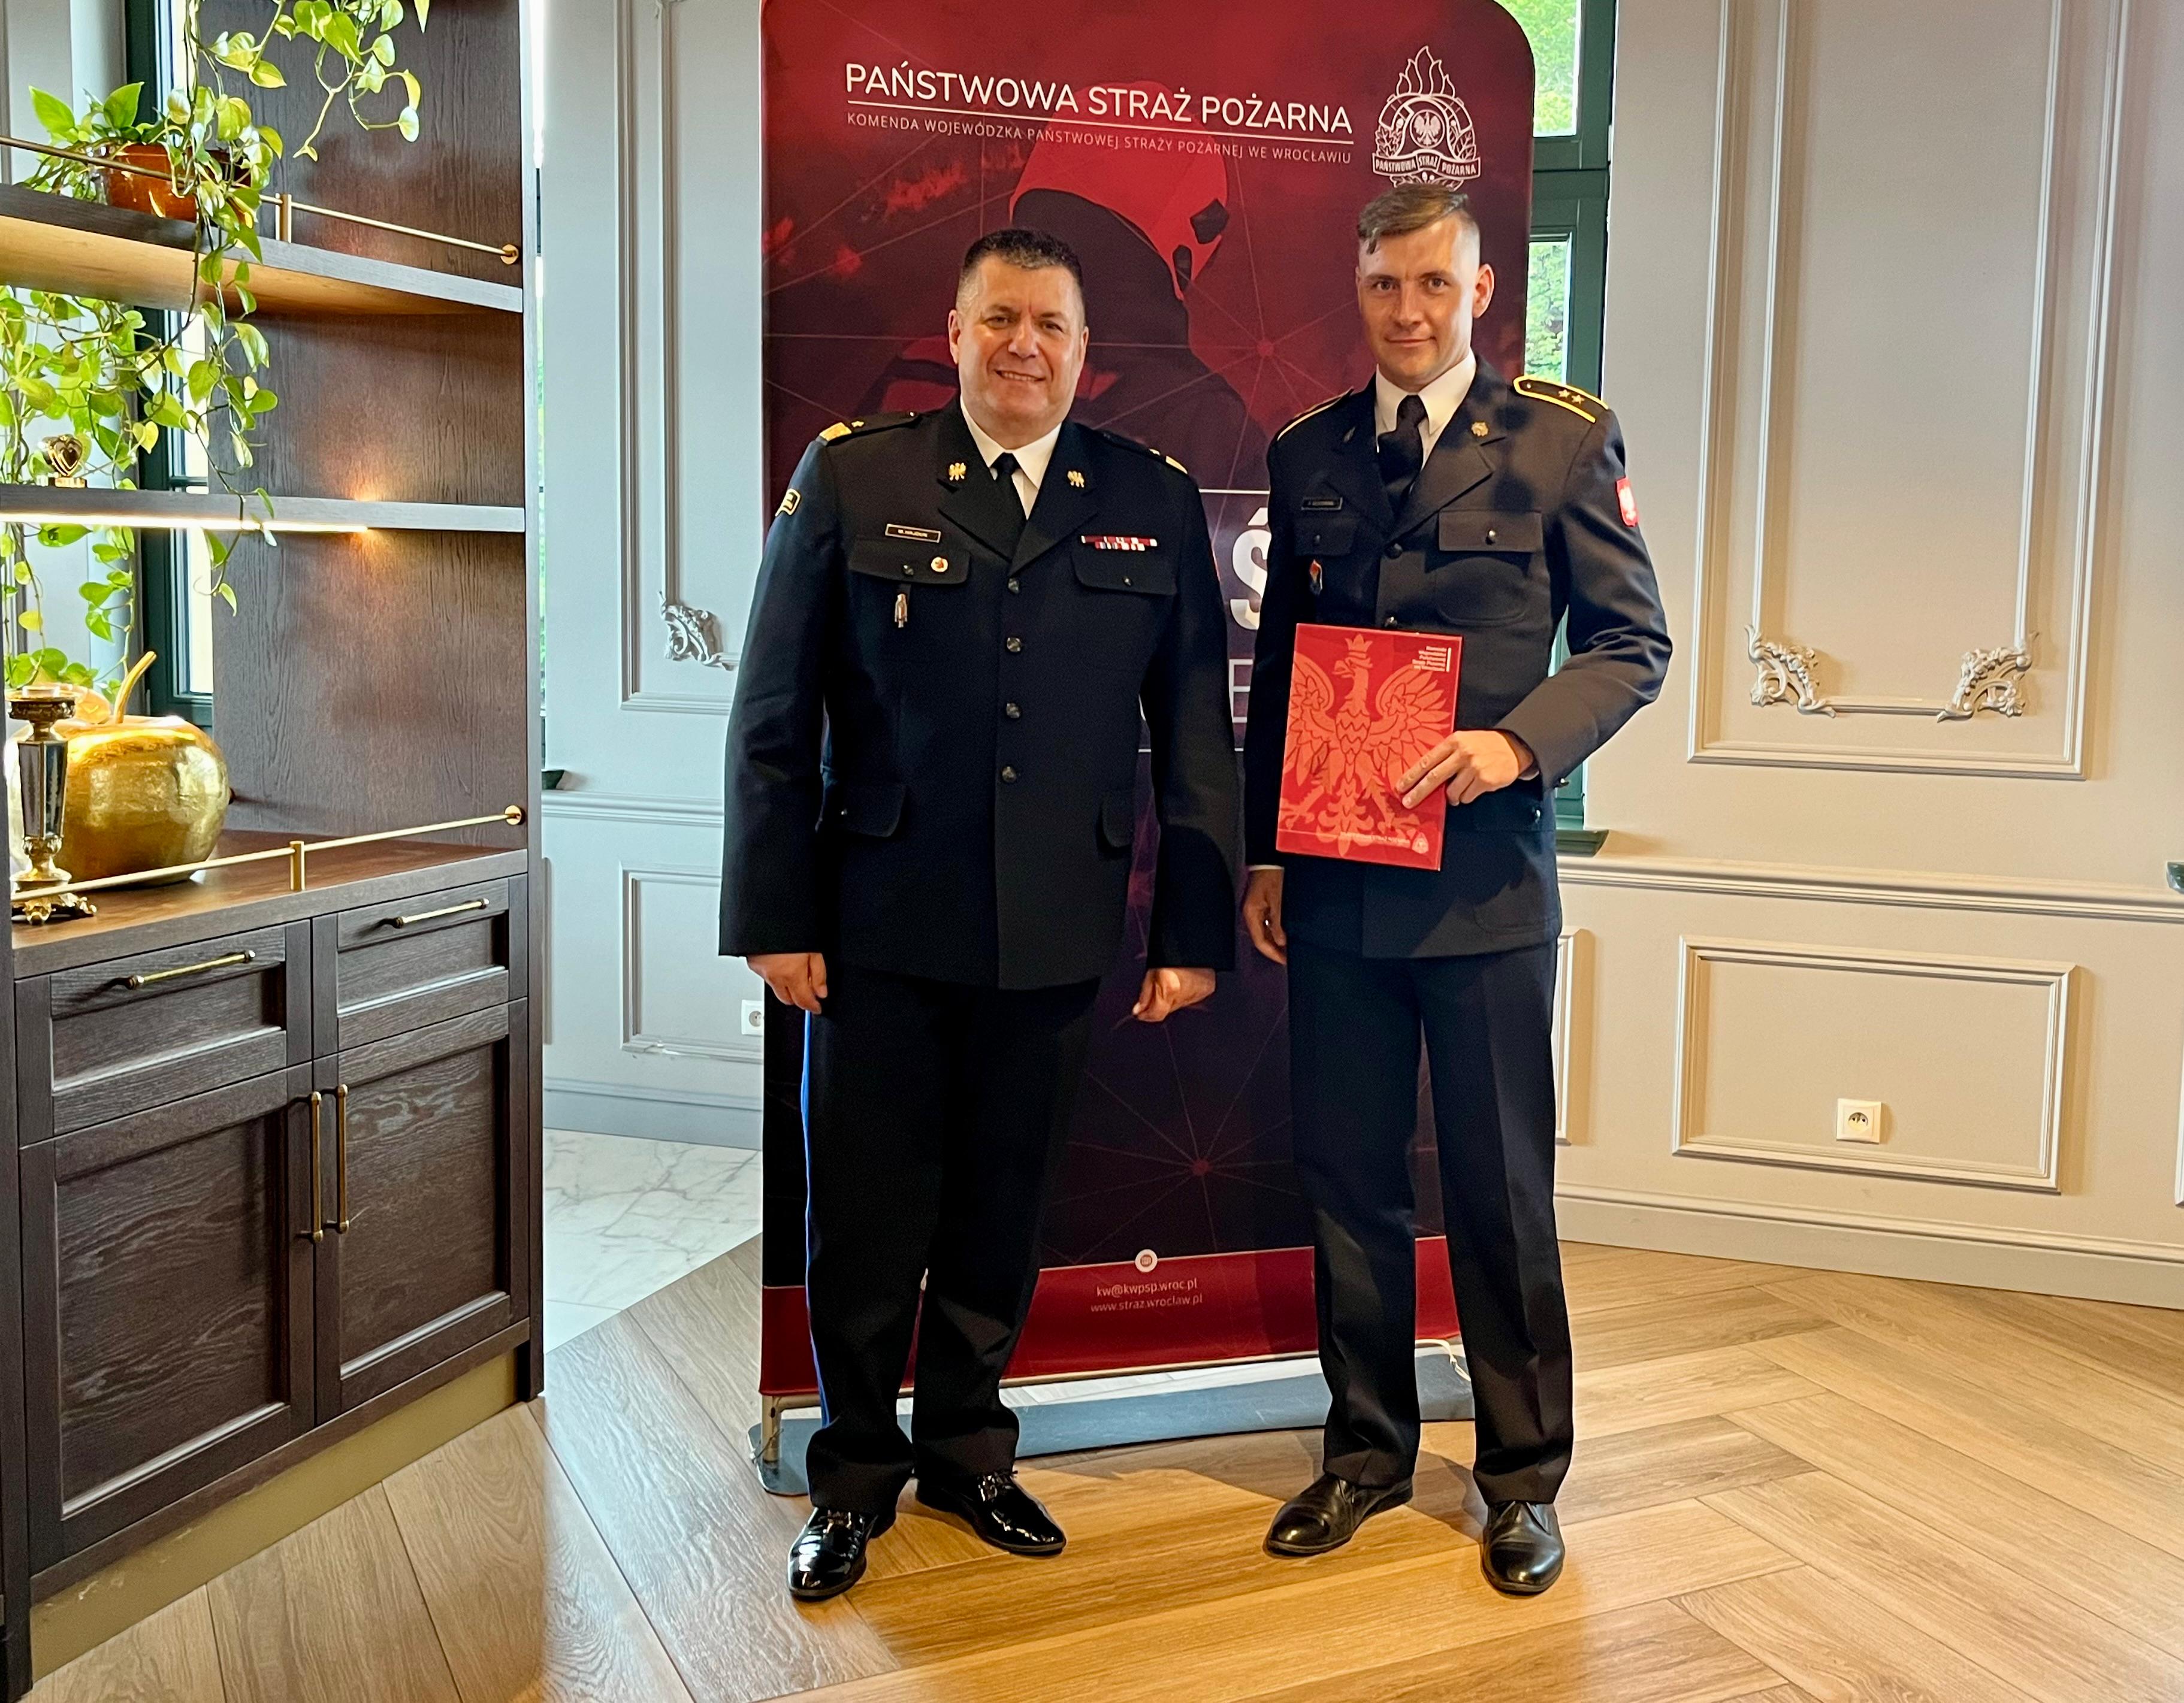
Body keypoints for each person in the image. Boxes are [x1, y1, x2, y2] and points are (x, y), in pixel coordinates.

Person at [721, 226, 1239, 1602]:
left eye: (1049, 324)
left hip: (1056, 927)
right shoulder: (853, 475)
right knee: (863, 1216)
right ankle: (851, 1477)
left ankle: (966, 1454)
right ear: (952, 334)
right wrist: (773, 913)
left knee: (1002, 1209)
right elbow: (772, 714)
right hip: (874, 924)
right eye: (999, 319)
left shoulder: (1147, 494)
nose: (1024, 345)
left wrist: (1189, 934)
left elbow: (1194, 731)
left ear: (1085, 350)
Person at [1240, 183, 1671, 1595]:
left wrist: (1513, 744)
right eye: (1383, 284)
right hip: (1336, 882)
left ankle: (1520, 1480)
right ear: (1356, 286)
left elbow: (1628, 643)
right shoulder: (1307, 450)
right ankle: (1364, 1452)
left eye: (1433, 284)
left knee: (1498, 1190)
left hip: (1484, 889)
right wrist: (1264, 850)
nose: (1407, 311)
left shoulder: (1559, 441)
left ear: (1481, 290)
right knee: (1347, 1182)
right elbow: (1282, 667)